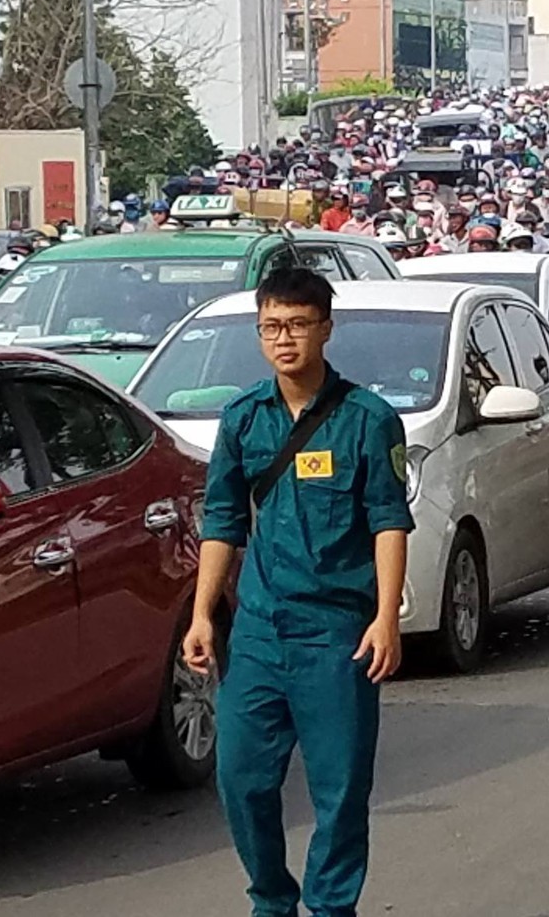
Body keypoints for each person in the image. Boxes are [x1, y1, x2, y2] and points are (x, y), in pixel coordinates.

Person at [183, 265, 413, 917]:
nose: (284, 339)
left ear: (326, 329)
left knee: (340, 790)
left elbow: (389, 521)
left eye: (297, 325)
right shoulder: (244, 417)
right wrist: (202, 615)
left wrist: (386, 617)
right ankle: (272, 900)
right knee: (241, 779)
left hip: (337, 635)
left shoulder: (368, 420)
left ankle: (332, 907)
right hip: (259, 632)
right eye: (271, 327)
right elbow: (222, 520)